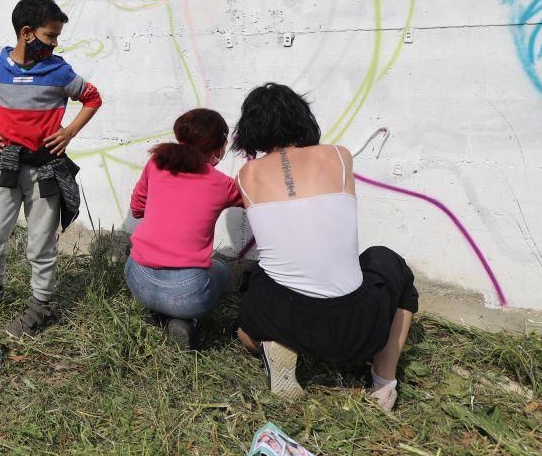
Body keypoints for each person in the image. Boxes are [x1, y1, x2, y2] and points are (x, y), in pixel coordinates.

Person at [231, 83, 417, 413]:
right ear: (302, 118)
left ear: (251, 128)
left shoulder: (247, 175)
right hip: (357, 327)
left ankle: (273, 343)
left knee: (258, 277)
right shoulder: (338, 155)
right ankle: (384, 382)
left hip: (283, 316)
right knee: (388, 260)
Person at [0, 0, 103, 337]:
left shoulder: (59, 71)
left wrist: (68, 132)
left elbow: (93, 98)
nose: (54, 44)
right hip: (6, 168)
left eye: (56, 38)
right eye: (50, 36)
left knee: (41, 244)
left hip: (45, 173)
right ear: (27, 33)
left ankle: (41, 306)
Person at [126, 108, 242, 348]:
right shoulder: (221, 184)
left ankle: (161, 314)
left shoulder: (156, 163)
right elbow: (254, 200)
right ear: (219, 146)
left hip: (137, 278)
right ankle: (186, 320)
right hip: (187, 295)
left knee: (169, 284)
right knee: (221, 269)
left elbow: (137, 208)